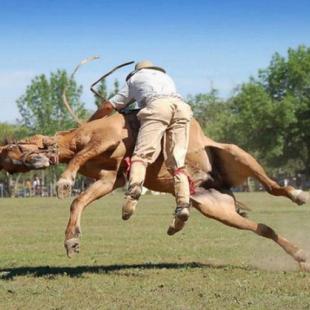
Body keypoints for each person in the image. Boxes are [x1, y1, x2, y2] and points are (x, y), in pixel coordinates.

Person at [96, 60, 193, 222]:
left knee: (141, 156)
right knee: (177, 162)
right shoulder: (166, 77)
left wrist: (91, 122)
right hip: (183, 108)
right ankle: (183, 204)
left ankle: (133, 194)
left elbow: (109, 106)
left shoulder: (135, 79)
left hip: (158, 107)